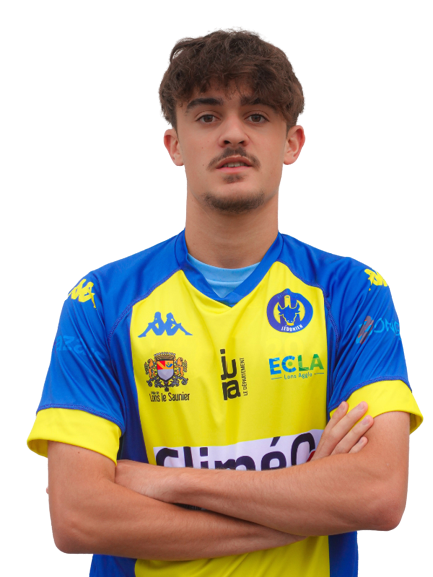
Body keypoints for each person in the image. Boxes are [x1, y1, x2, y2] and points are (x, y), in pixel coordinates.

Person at [27, 26, 423, 577]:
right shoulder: (98, 302)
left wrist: (172, 481)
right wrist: (308, 504)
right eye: (208, 116)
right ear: (174, 145)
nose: (233, 134)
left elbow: (378, 494)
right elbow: (78, 517)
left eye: (257, 116)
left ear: (293, 143)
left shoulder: (355, 293)